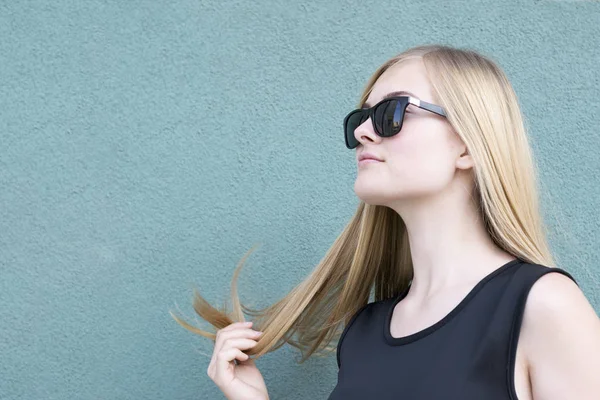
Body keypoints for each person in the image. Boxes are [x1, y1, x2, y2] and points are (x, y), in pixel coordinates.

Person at [170, 44, 600, 399]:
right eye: (361, 119)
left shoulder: (542, 306)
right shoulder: (365, 332)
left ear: (468, 146)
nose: (362, 133)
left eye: (391, 113)